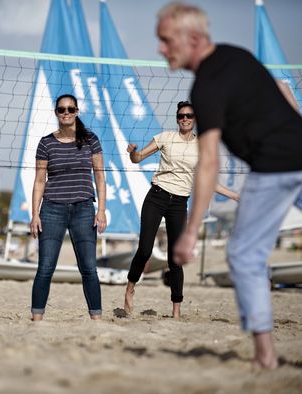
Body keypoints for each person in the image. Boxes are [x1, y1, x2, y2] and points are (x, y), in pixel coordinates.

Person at [157, 2, 302, 369]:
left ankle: (266, 355)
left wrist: (190, 232)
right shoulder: (238, 56)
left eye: (166, 40)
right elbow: (283, 89)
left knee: (242, 256)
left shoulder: (206, 86)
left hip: (276, 166)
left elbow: (208, 162)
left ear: (193, 38)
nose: (161, 48)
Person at [123, 101, 239, 319]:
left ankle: (176, 310)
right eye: (181, 116)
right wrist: (133, 153)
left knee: (175, 259)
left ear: (195, 119)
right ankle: (130, 288)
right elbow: (137, 159)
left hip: (179, 203)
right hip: (157, 196)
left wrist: (233, 195)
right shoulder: (166, 137)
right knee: (145, 250)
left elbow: (207, 180)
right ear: (177, 118)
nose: (185, 119)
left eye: (189, 116)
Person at [29, 94, 107, 321]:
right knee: (45, 268)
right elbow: (39, 181)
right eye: (62, 109)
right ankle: (37, 319)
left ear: (77, 111)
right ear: (56, 112)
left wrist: (101, 210)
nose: (66, 113)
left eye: (70, 109)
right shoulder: (46, 143)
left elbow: (100, 177)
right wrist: (35, 214)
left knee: (89, 269)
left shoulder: (90, 140)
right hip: (52, 209)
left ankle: (96, 319)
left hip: (83, 209)